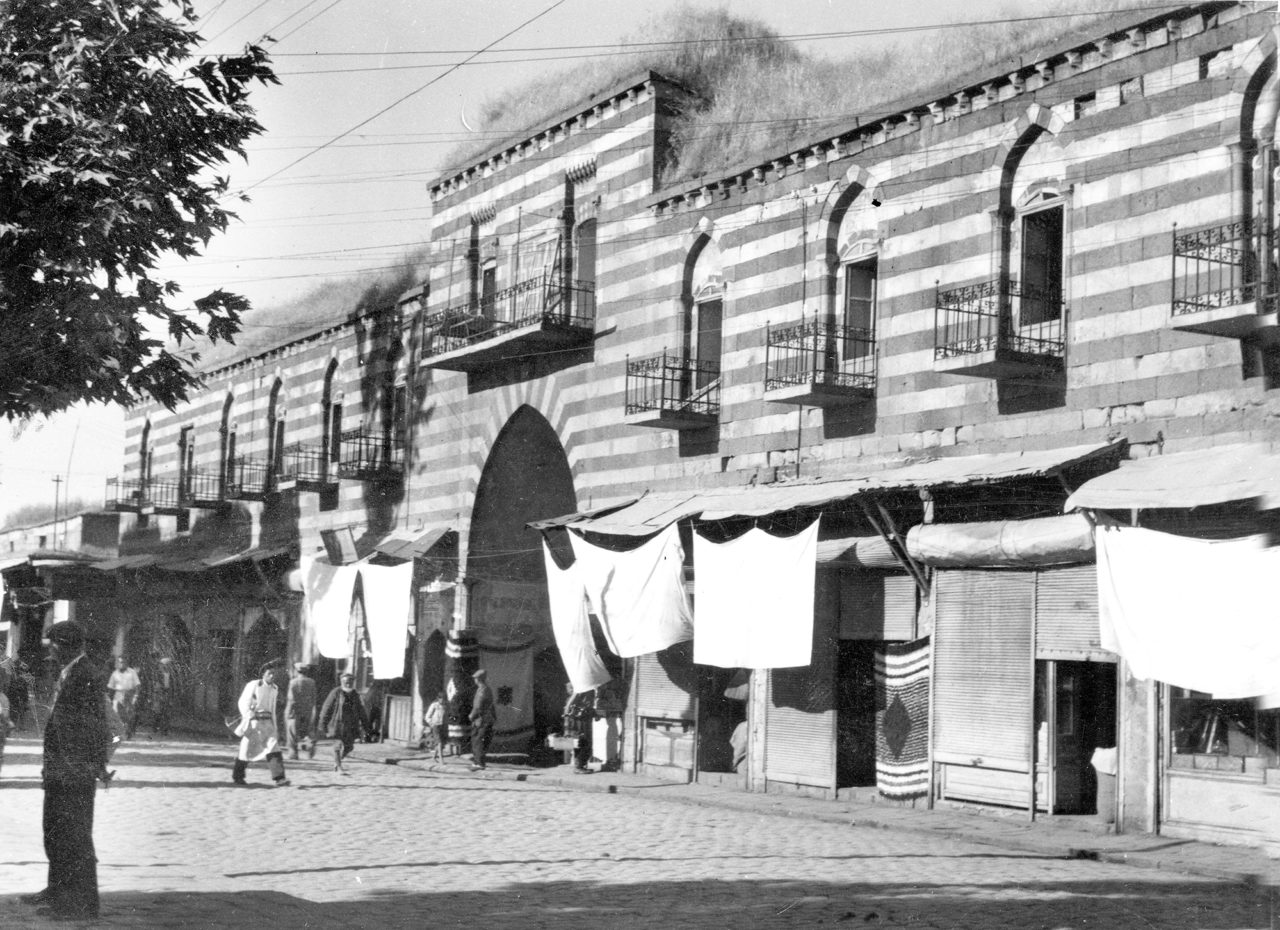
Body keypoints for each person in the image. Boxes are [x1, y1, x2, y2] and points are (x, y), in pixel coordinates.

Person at [20, 620, 112, 921]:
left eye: (53, 646)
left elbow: (98, 725)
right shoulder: (70, 671)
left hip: (74, 771)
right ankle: (58, 891)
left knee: (75, 838)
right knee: (55, 832)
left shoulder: (86, 674)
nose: (50, 652)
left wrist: (94, 765)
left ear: (66, 644)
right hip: (61, 769)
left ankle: (82, 904)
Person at [231, 660, 290, 787]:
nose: (272, 676)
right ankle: (238, 776)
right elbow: (243, 702)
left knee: (273, 747)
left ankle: (279, 778)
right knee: (246, 750)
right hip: (254, 722)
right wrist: (249, 716)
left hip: (267, 723)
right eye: (269, 673)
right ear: (263, 674)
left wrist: (275, 726)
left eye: (273, 673)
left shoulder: (275, 689)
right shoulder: (254, 685)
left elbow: (272, 709)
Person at [319, 672, 368, 771]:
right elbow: (326, 708)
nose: (348, 684)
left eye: (350, 682)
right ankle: (339, 766)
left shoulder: (355, 695)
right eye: (346, 682)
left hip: (351, 725)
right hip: (337, 724)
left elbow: (361, 710)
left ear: (353, 682)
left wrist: (365, 724)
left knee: (349, 747)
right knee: (337, 745)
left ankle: (337, 761)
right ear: (342, 682)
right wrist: (322, 723)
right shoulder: (336, 692)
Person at [285, 662, 318, 760]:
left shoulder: (293, 682)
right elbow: (314, 698)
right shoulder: (312, 682)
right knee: (309, 731)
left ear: (297, 671)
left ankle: (293, 753)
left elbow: (291, 699)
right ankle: (310, 747)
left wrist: (288, 712)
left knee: (292, 732)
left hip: (295, 711)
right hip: (307, 710)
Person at [106, 656, 141, 740]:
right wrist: (109, 698)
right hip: (118, 695)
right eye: (120, 662)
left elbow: (137, 685)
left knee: (128, 715)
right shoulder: (115, 673)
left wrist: (135, 696)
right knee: (117, 715)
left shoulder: (132, 672)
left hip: (129, 694)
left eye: (123, 662)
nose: (121, 664)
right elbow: (110, 687)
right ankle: (119, 734)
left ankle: (128, 732)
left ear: (127, 663)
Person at [468, 668, 496, 771]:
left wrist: (471, 715)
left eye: (475, 678)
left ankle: (479, 763)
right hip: (485, 719)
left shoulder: (482, 690)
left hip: (480, 719)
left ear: (478, 679)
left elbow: (478, 706)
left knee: (477, 740)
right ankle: (478, 762)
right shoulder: (486, 689)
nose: (474, 680)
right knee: (479, 740)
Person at [563, 685, 595, 774]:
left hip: (585, 720)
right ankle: (579, 766)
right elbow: (568, 706)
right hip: (579, 721)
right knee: (582, 742)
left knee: (585, 743)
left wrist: (594, 714)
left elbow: (588, 705)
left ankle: (581, 765)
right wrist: (567, 721)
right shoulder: (580, 690)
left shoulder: (587, 690)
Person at [150, 657, 175, 738]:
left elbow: (172, 686)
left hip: (167, 694)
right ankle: (155, 728)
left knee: (166, 713)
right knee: (158, 712)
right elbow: (156, 685)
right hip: (159, 694)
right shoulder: (157, 674)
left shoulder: (170, 674)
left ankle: (165, 730)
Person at [423, 691, 446, 763]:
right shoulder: (434, 705)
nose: (442, 700)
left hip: (442, 726)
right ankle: (441, 759)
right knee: (439, 742)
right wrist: (431, 723)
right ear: (438, 698)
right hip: (435, 725)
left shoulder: (445, 706)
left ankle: (434, 757)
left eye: (443, 699)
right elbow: (427, 716)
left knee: (441, 743)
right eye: (440, 698)